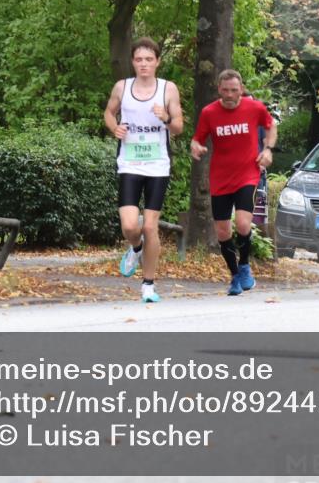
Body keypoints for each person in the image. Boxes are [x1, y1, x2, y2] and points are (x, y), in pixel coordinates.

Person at [103, 37, 184, 303]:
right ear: (133, 62)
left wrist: (167, 118)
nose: (144, 64)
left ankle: (148, 285)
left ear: (158, 62)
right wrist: (114, 127)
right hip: (129, 163)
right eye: (139, 60)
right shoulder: (122, 87)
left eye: (149, 59)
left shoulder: (168, 89)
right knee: (129, 225)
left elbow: (179, 127)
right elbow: (108, 112)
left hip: (158, 165)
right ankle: (135, 247)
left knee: (150, 227)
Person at [191, 69, 277, 295]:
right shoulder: (209, 112)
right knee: (222, 230)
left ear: (241, 89)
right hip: (220, 177)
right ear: (219, 89)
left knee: (242, 223)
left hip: (247, 174)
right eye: (226, 90)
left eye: (234, 90)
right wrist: (196, 147)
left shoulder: (254, 107)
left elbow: (271, 125)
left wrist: (268, 149)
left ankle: (245, 265)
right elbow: (197, 138)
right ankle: (235, 276)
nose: (230, 94)